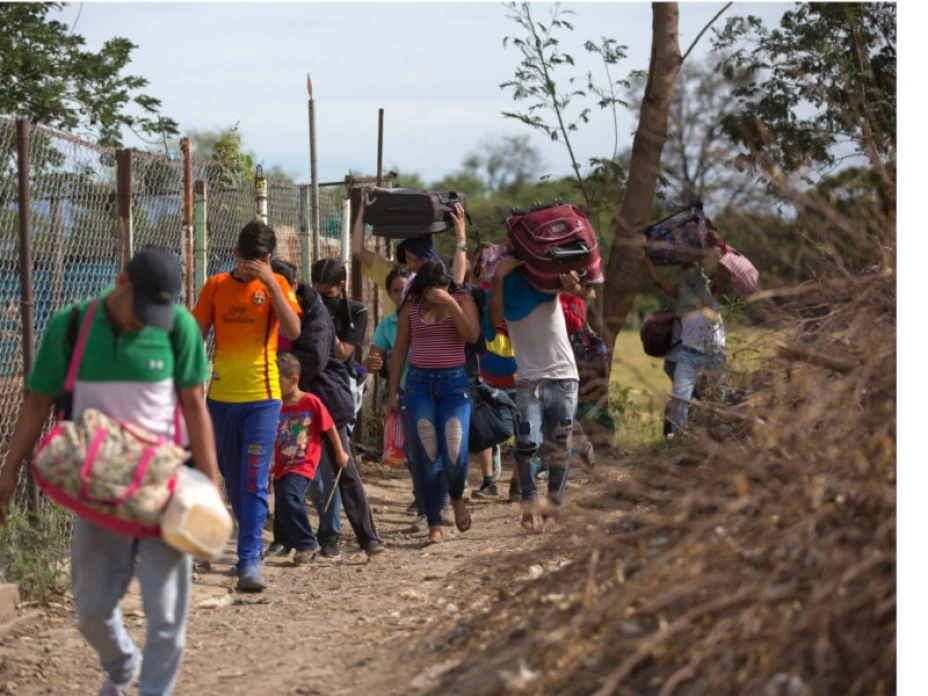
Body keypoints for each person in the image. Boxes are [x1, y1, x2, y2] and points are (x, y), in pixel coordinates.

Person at [0, 247, 220, 696]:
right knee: (92, 611)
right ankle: (121, 664)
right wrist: (7, 474)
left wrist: (211, 482)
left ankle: (154, 690)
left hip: (165, 490)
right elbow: (38, 402)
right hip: (99, 489)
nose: (145, 321)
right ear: (122, 282)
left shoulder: (178, 327)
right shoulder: (72, 326)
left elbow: (195, 405)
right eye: (140, 310)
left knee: (167, 617)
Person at [192, 221, 302, 592]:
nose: (249, 266)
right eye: (245, 258)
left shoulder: (278, 287)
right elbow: (196, 337)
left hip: (262, 399)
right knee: (233, 480)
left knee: (255, 481)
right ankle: (248, 541)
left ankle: (249, 562)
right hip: (220, 400)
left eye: (258, 261)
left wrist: (270, 281)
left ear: (268, 259)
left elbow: (293, 331)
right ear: (234, 253)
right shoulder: (216, 286)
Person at [275, 260, 385, 559]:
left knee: (341, 469)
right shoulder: (279, 306)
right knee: (285, 468)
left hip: (322, 398)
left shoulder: (316, 310)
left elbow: (315, 359)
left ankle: (366, 538)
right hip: (290, 397)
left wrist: (278, 365)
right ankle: (284, 539)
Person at [488, 256, 587, 532]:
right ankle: (530, 503)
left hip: (565, 378)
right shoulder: (506, 292)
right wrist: (498, 277)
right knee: (526, 444)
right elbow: (495, 317)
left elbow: (588, 290)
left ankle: (553, 509)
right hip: (529, 382)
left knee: (559, 448)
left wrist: (575, 287)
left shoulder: (548, 283)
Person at [387, 259, 481, 545]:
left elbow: (472, 335)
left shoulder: (461, 300)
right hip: (418, 386)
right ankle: (434, 524)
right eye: (430, 289)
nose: (435, 293)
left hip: (454, 384)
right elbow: (400, 349)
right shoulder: (411, 308)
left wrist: (451, 304)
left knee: (454, 447)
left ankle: (456, 497)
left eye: (440, 288)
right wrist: (392, 393)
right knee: (427, 454)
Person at [271, 353, 349, 565]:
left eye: (278, 381)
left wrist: (340, 452)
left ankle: (306, 542)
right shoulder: (275, 405)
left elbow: (330, 426)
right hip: (281, 464)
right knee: (283, 503)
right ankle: (290, 542)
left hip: (303, 463)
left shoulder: (311, 402)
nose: (274, 386)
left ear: (294, 379)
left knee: (289, 498)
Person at [643, 252, 729, 439]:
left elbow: (725, 274)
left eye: (692, 265)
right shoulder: (680, 292)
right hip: (688, 355)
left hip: (714, 356)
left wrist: (720, 248)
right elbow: (657, 281)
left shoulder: (711, 289)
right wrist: (646, 257)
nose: (688, 270)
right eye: (685, 267)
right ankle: (679, 441)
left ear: (702, 267)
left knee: (716, 401)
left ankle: (714, 442)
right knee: (680, 399)